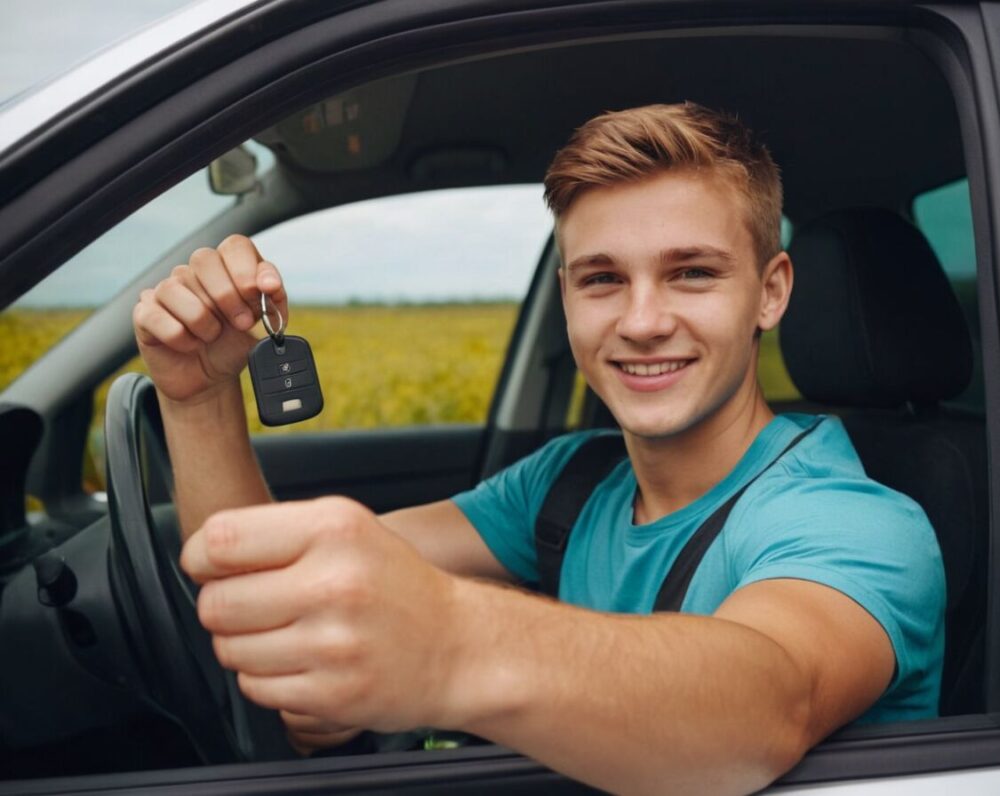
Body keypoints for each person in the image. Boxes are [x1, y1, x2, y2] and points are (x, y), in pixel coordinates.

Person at [132, 102, 944, 796]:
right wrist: (198, 399)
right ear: (565, 297)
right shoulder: (572, 481)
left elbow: (771, 705)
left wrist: (448, 644)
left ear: (770, 293)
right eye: (601, 279)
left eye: (692, 273)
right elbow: (273, 599)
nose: (641, 320)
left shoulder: (858, 523)